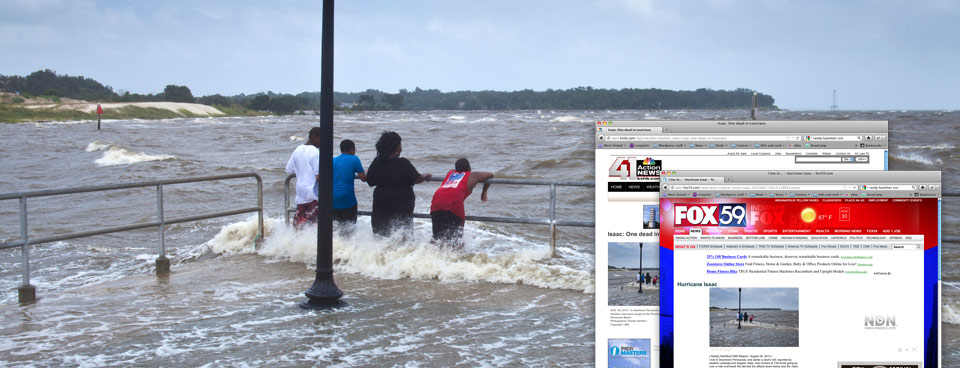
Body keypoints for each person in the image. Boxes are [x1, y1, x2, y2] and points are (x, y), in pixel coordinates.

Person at [366, 131, 431, 238]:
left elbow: (370, 181)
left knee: (381, 234)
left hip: (381, 201)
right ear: (395, 148)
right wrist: (424, 176)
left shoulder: (377, 162)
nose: (401, 148)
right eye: (400, 145)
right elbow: (416, 179)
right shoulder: (403, 163)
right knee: (402, 234)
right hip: (402, 203)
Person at [429, 158, 494, 247]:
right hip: (453, 205)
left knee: (437, 238)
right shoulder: (472, 176)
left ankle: (429, 256)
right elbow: (490, 175)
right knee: (456, 241)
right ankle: (455, 259)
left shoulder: (450, 172)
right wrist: (484, 191)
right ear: (469, 169)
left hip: (436, 203)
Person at [286, 127, 321, 230]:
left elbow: (289, 169)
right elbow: (319, 176)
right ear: (315, 137)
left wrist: (301, 171)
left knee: (299, 227)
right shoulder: (316, 152)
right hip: (314, 195)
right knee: (315, 227)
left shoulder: (298, 150)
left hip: (301, 195)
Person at [332, 139, 367, 231]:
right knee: (349, 229)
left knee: (336, 229)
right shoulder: (354, 159)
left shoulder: (333, 160)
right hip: (348, 199)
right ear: (351, 150)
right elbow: (363, 178)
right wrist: (365, 172)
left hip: (333, 199)